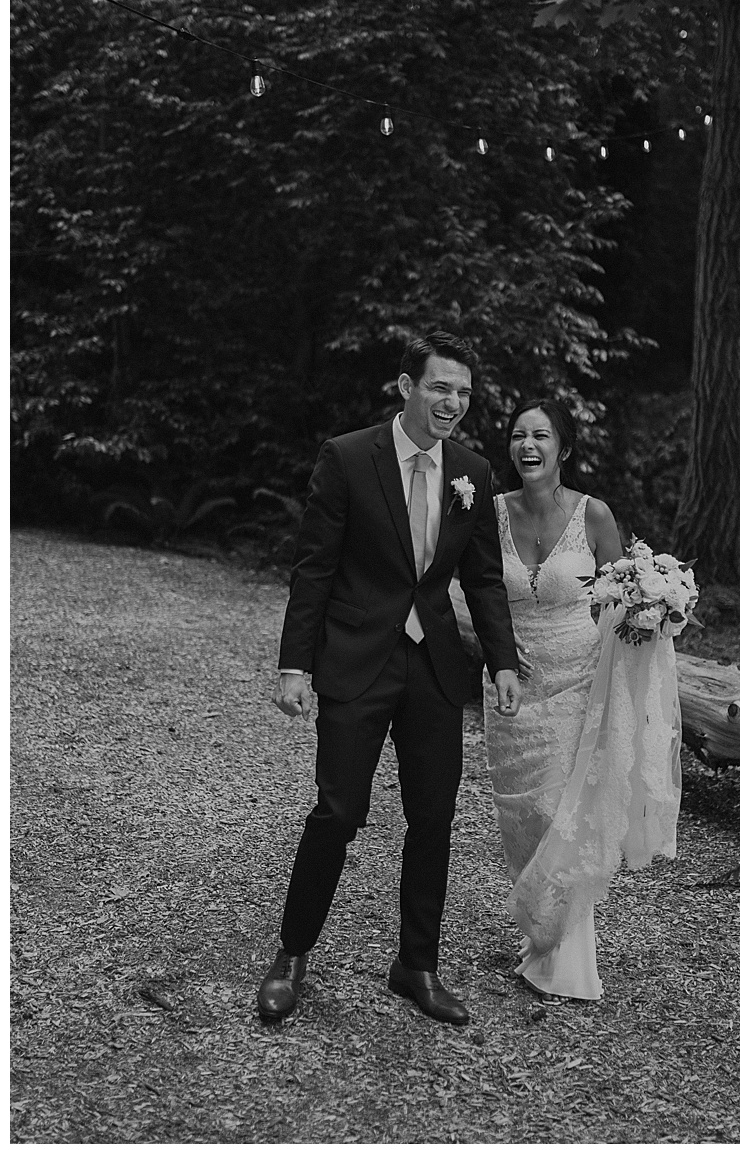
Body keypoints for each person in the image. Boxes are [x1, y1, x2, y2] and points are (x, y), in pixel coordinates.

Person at [258, 331, 522, 1026]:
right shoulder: (348, 458)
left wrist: (501, 661)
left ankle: (417, 965)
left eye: (464, 393)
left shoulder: (472, 471)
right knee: (338, 811)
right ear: (406, 387)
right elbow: (314, 567)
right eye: (440, 387)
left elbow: (484, 578)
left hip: (433, 667)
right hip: (357, 657)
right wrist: (295, 664)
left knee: (433, 818)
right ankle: (291, 955)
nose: (453, 403)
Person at [483, 398, 682, 1000]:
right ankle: (541, 930)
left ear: (563, 449)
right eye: (519, 436)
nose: (528, 446)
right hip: (509, 683)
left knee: (559, 808)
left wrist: (656, 606)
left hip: (578, 682)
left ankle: (566, 955)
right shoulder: (489, 513)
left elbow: (619, 596)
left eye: (541, 436)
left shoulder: (594, 515)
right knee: (521, 815)